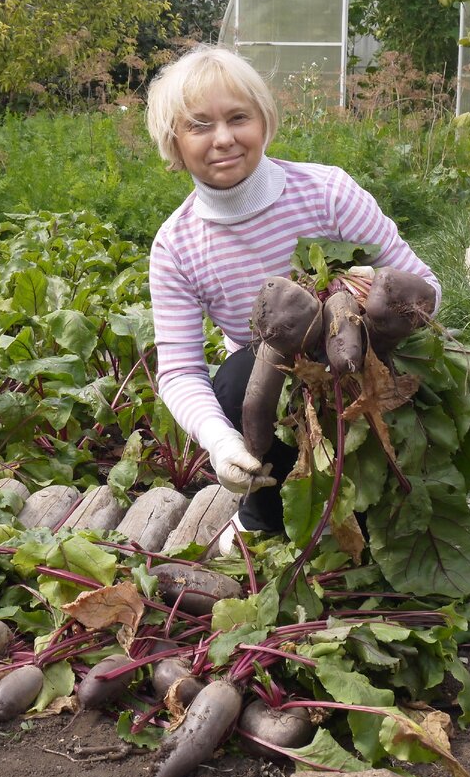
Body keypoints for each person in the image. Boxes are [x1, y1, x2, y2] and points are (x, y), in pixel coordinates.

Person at [145, 45, 440, 553]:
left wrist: (379, 288)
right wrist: (221, 443)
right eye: (199, 125)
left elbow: (429, 287)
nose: (223, 139)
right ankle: (263, 508)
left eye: (239, 118)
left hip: (372, 366)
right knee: (239, 378)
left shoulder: (327, 192)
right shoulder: (177, 245)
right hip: (281, 386)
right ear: (174, 140)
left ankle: (383, 494)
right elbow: (179, 370)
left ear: (264, 121)